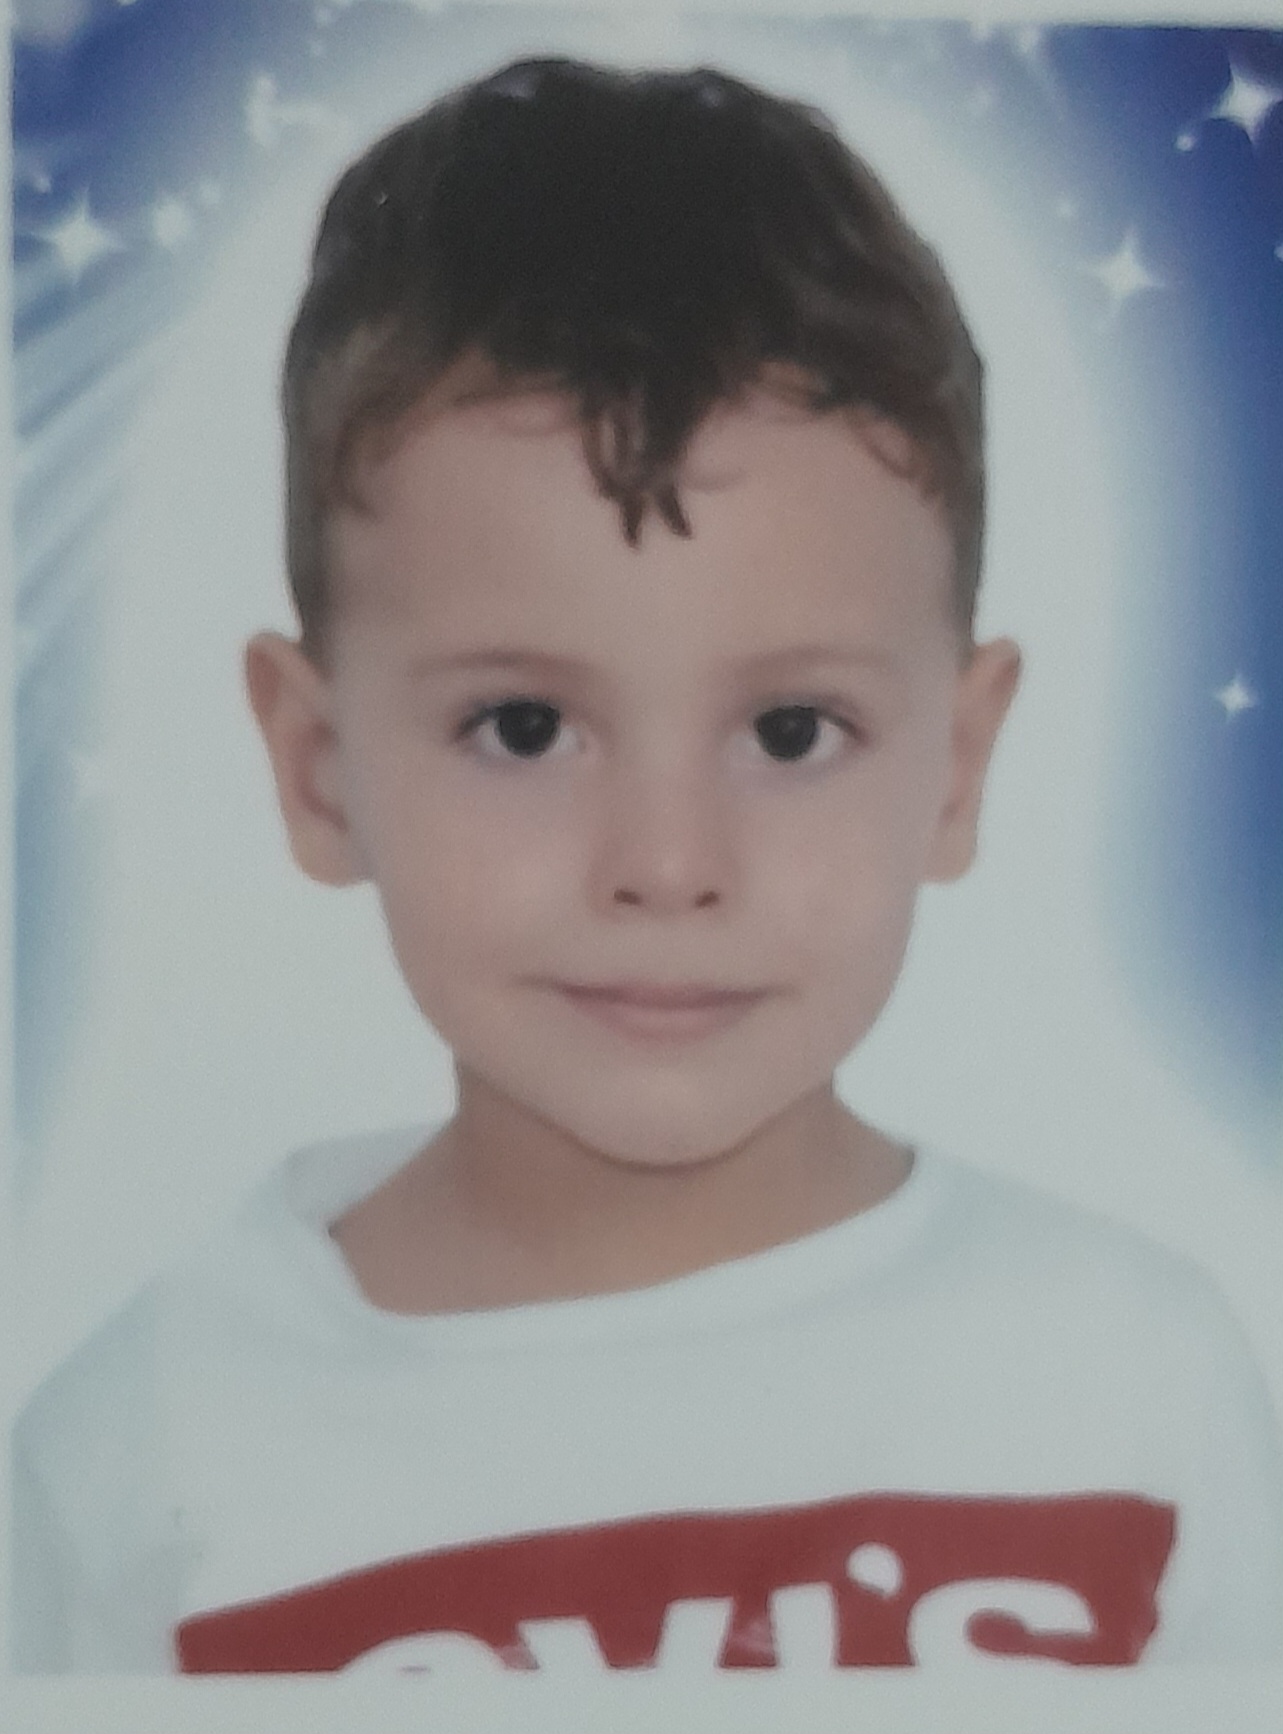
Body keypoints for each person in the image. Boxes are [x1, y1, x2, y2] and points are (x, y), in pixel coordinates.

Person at [12, 55, 1283, 1675]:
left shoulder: (1133, 1389)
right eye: (526, 726)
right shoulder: (135, 1466)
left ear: (958, 767)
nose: (669, 864)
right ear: (319, 766)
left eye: (794, 729)